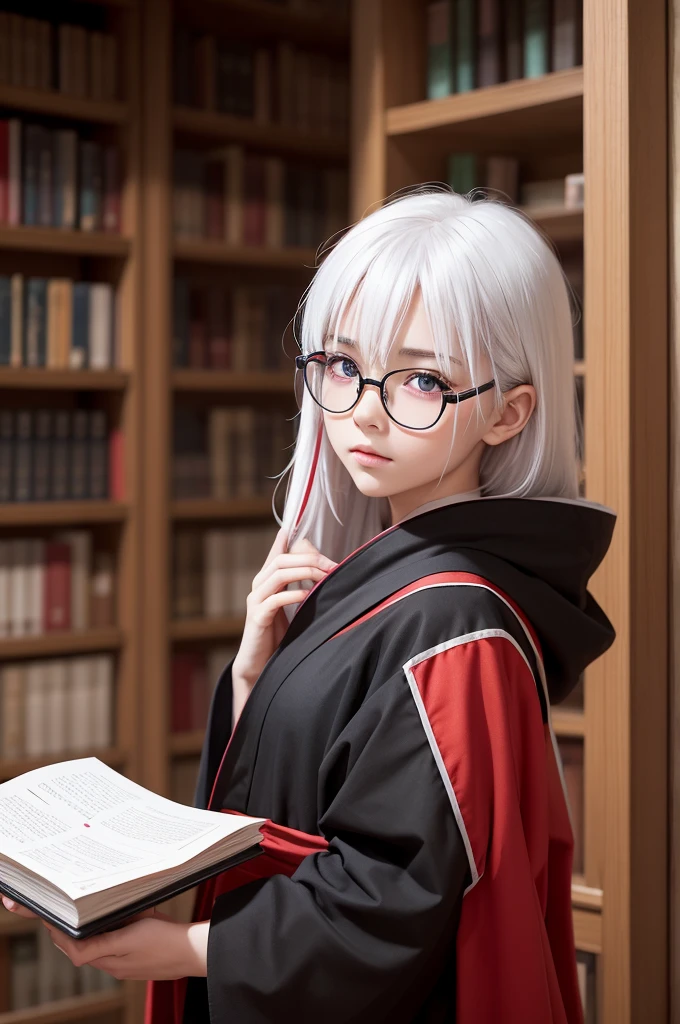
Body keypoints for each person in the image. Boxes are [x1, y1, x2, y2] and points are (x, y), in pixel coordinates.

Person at [2, 186, 615, 1023]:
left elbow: (393, 896)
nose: (364, 410)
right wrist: (255, 676)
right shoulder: (388, 576)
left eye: (423, 380)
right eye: (343, 365)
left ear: (508, 413)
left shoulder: (454, 621)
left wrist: (185, 950)